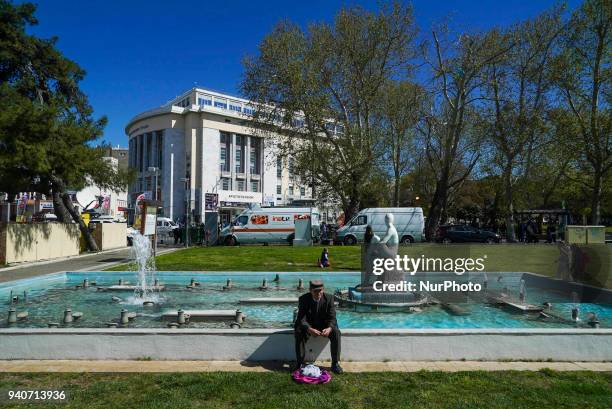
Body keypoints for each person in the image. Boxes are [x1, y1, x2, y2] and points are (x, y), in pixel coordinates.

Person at [294, 280, 343, 374]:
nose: (318, 293)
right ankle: (300, 363)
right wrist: (309, 329)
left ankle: (335, 363)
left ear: (323, 289)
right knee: (299, 331)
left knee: (336, 332)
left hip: (324, 325)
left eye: (320, 290)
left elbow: (332, 317)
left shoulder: (329, 298)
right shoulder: (303, 299)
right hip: (309, 325)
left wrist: (329, 328)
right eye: (315, 291)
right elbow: (301, 319)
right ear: (310, 290)